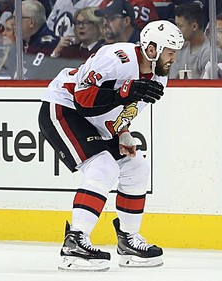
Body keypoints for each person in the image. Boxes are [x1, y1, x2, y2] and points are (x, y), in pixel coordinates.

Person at [38, 20, 184, 271]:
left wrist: (123, 131)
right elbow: (82, 99)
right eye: (170, 51)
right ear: (152, 49)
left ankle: (128, 240)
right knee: (103, 168)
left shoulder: (159, 78)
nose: (173, 58)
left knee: (136, 167)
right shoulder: (116, 57)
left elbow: (125, 109)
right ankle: (75, 242)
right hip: (63, 108)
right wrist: (123, 92)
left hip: (98, 120)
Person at [168, 2, 211, 79]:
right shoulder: (179, 48)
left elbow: (206, 87)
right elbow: (173, 81)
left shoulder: (210, 52)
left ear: (194, 26)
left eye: (180, 26)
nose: (177, 30)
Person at [20, 0, 58, 79]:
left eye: (17, 18)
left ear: (31, 22)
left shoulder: (48, 44)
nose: (14, 23)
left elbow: (31, 77)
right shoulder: (23, 42)